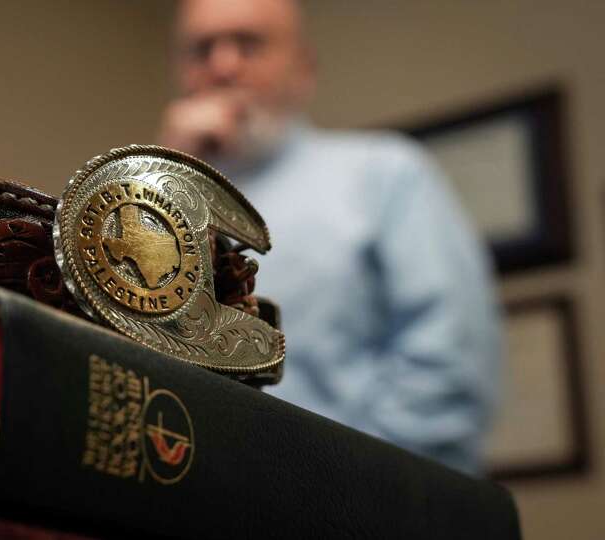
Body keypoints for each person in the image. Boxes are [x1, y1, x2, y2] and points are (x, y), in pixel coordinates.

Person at [159, 0, 502, 474]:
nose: (222, 65)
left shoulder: (384, 174)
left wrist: (340, 486)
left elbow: (449, 364)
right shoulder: (156, 203)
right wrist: (164, 180)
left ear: (304, 69)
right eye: (202, 49)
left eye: (248, 43)